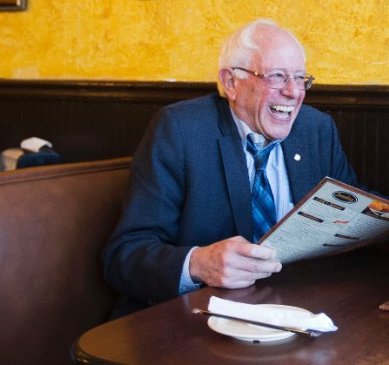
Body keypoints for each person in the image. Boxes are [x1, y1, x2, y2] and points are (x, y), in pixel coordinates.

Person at [102, 20, 359, 317]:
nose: (293, 91)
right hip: (192, 319)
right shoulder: (181, 130)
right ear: (231, 82)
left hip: (293, 311)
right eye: (276, 76)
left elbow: (352, 209)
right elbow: (125, 255)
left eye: (300, 78)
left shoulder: (316, 129)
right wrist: (198, 263)